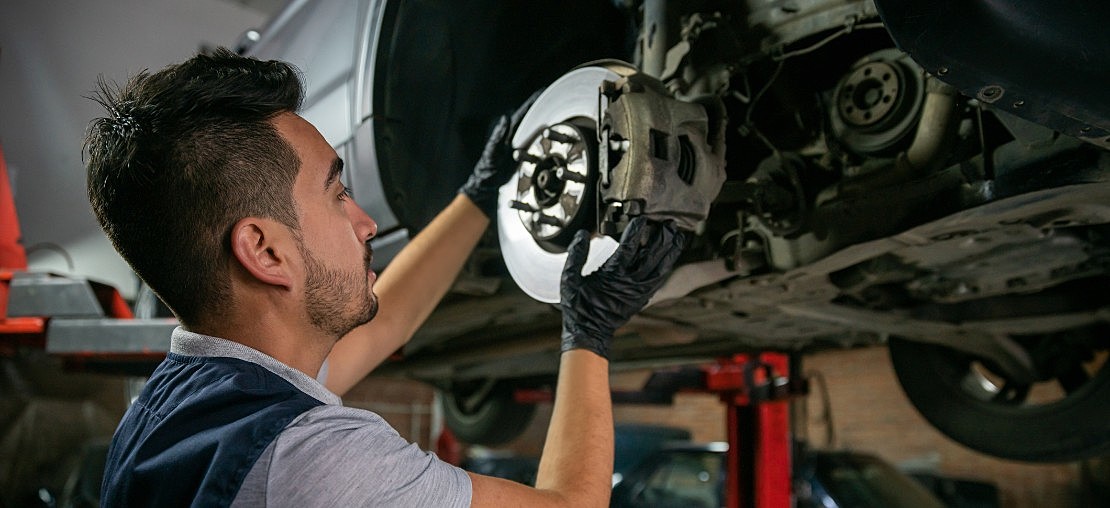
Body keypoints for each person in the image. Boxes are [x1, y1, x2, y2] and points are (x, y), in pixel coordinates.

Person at [85, 47, 685, 507]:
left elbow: (386, 320)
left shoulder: (177, 403)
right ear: (264, 252)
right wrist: (590, 333)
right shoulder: (312, 461)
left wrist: (478, 195)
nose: (366, 222)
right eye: (337, 193)